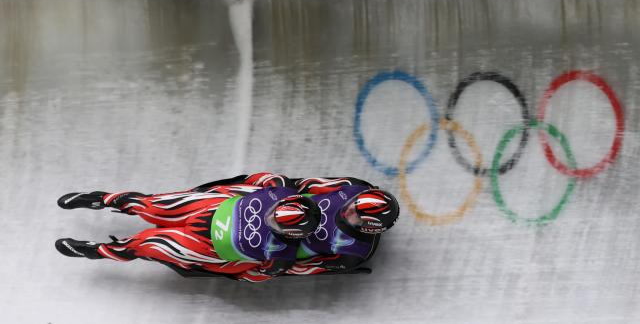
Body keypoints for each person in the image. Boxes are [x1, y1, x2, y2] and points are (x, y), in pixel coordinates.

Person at [55, 173, 321, 282]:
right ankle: (100, 199)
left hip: (210, 247)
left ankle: (97, 250)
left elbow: (251, 275)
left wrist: (217, 267)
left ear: (291, 234)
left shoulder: (282, 257)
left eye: (276, 222)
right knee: (149, 205)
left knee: (147, 244)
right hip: (214, 207)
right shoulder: (280, 189)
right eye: (275, 213)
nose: (271, 217)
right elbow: (255, 179)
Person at [285, 177, 400, 277]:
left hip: (291, 246)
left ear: (367, 228)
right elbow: (309, 184)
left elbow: (309, 266)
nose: (350, 210)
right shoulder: (354, 186)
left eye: (357, 216)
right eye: (355, 203)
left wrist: (278, 265)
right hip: (289, 205)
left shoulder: (354, 253)